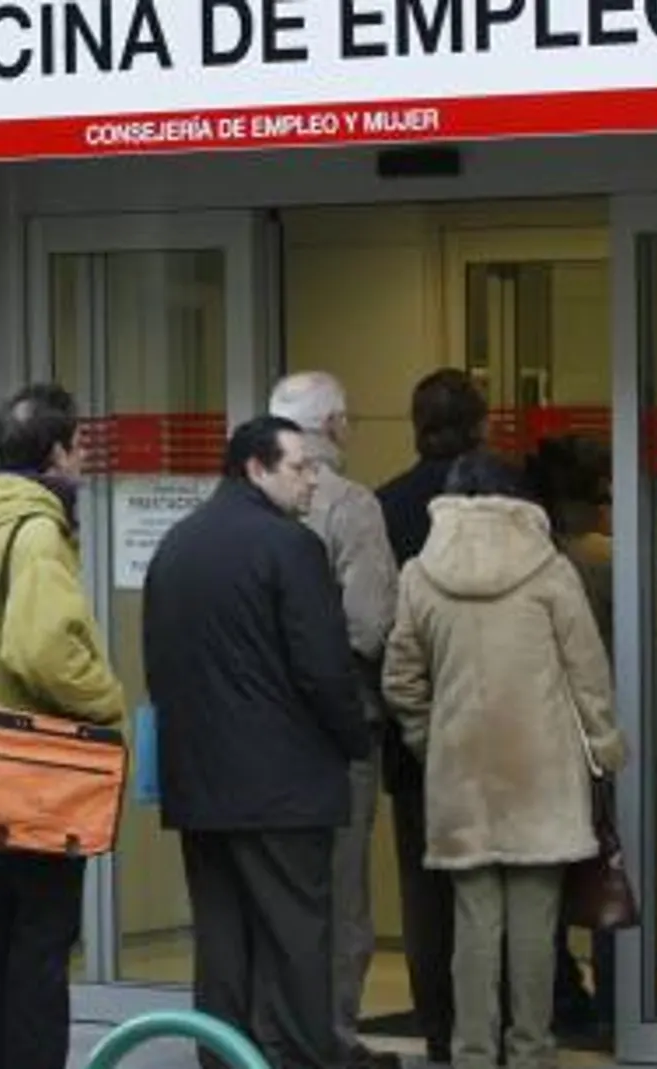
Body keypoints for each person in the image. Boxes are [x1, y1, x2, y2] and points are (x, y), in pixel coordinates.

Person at [381, 451, 627, 1069]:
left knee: (473, 926)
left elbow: (401, 680)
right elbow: (587, 672)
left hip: (461, 773)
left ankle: (471, 1052)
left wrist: (430, 740)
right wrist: (602, 747)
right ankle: (531, 1050)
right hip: (542, 771)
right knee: (535, 927)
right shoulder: (550, 570)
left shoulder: (420, 573)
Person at [143, 414, 370, 1069]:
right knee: (298, 939)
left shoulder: (178, 544)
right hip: (285, 788)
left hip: (201, 783)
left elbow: (159, 663)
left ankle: (223, 1058)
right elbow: (324, 667)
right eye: (299, 466)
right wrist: (353, 738)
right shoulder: (290, 547)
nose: (313, 480)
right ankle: (300, 1059)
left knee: (222, 943)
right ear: (255, 467)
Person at [0, 383, 126, 1069]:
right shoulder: (38, 527)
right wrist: (108, 696)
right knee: (44, 941)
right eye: (78, 445)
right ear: (56, 451)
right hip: (40, 766)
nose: (82, 459)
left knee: (1, 932)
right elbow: (39, 647)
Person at [268, 373, 402, 1069]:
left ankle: (276, 1033)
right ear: (338, 426)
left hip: (265, 731)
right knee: (341, 889)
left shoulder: (246, 504)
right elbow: (371, 624)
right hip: (339, 723)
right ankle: (333, 1039)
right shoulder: (352, 506)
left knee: (278, 884)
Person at [376, 368, 489, 1064]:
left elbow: (380, 624)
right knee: (489, 882)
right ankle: (492, 1023)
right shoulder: (503, 497)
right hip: (491, 719)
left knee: (424, 884)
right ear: (480, 421)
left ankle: (440, 1027)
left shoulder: (384, 504)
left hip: (412, 725)